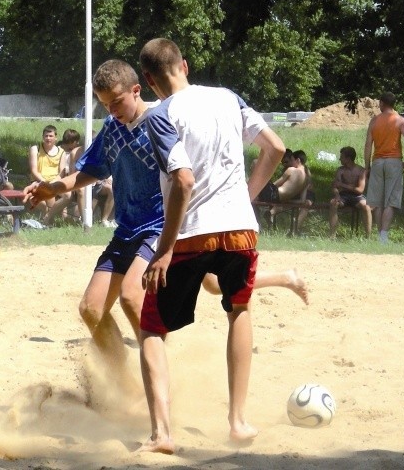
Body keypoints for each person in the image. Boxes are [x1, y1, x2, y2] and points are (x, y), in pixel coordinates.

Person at [24, 59, 308, 418]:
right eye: (104, 104)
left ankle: (154, 388)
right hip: (126, 230)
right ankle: (123, 388)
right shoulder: (113, 128)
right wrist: (51, 188)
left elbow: (190, 172)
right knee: (91, 309)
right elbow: (87, 173)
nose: (111, 110)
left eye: (116, 102)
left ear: (137, 89)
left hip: (160, 226)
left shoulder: (163, 119)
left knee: (134, 295)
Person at [138, 37, 288, 454]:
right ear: (184, 65)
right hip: (241, 228)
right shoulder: (227, 97)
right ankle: (238, 422)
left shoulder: (161, 114)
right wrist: (247, 196)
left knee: (151, 328)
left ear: (149, 81)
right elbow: (275, 148)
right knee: (239, 309)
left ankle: (161, 434)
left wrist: (164, 250)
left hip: (191, 232)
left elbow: (183, 181)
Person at [364, 92, 404, 243]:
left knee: (377, 202)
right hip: (394, 161)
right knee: (391, 200)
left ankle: (380, 234)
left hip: (378, 161)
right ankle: (384, 236)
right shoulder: (399, 120)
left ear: (381, 103)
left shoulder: (374, 121)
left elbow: (368, 145)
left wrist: (367, 166)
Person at [328, 146, 372, 238]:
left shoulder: (361, 171)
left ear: (348, 158)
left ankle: (368, 236)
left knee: (366, 206)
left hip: (357, 197)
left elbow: (360, 190)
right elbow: (335, 186)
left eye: (342, 157)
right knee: (333, 203)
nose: (340, 159)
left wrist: (343, 185)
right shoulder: (340, 170)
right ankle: (332, 235)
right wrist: (337, 195)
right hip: (343, 196)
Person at [28, 125, 64, 217]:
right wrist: (44, 182)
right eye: (46, 136)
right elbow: (33, 170)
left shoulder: (61, 151)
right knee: (45, 193)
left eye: (51, 136)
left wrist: (52, 183)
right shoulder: (35, 149)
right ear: (43, 137)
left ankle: (50, 217)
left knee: (68, 195)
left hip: (55, 181)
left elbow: (61, 173)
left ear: (56, 138)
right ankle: (47, 218)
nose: (48, 138)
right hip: (38, 181)